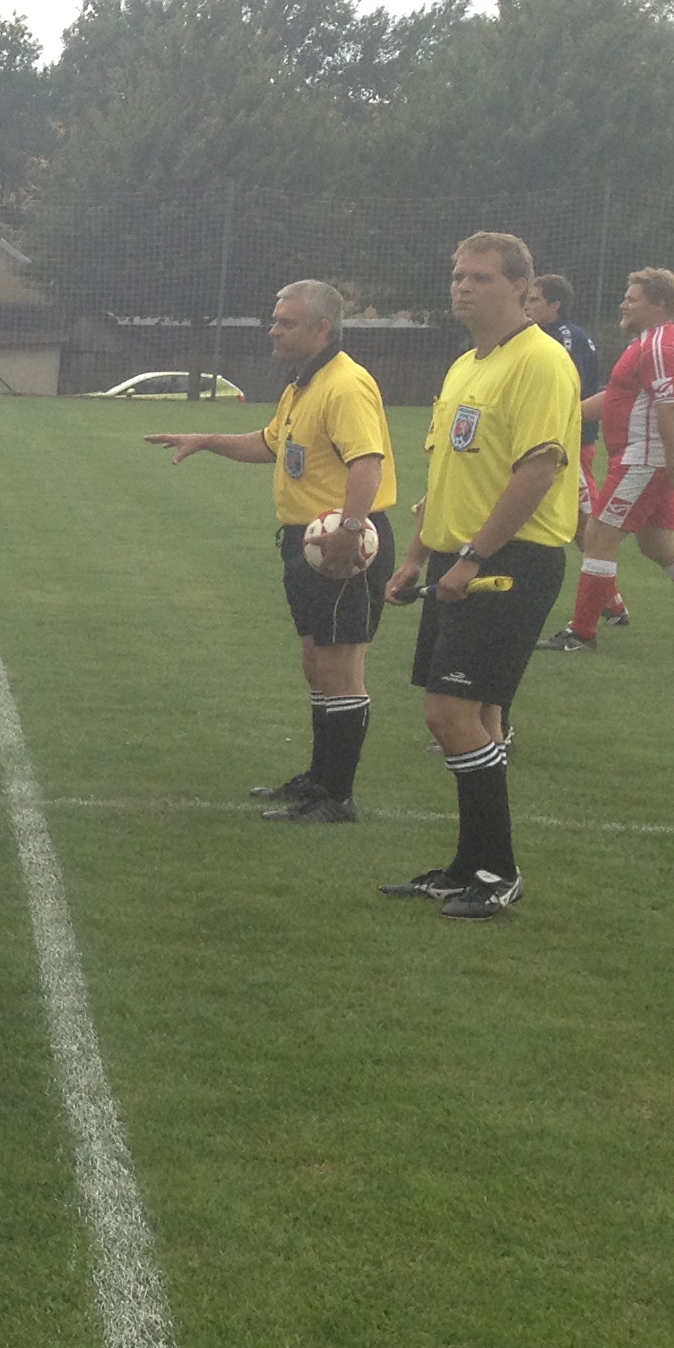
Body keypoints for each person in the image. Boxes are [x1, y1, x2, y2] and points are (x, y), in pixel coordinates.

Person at [377, 231, 580, 918]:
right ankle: (470, 866)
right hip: (457, 558)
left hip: (508, 563)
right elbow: (447, 474)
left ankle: (499, 871)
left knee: (451, 712)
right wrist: (417, 555)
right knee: (473, 716)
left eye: (481, 277)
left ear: (522, 288)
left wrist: (471, 558)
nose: (463, 287)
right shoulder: (466, 364)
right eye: (458, 275)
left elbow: (538, 471)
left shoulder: (541, 362)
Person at [144, 278, 399, 822]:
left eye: (286, 322)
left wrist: (350, 530)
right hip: (306, 542)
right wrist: (206, 440)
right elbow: (270, 444)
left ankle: (337, 798)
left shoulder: (345, 384)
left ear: (322, 329)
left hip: (341, 544)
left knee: (341, 669)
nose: (273, 330)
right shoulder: (303, 385)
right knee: (316, 662)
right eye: (275, 319)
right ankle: (318, 779)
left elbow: (367, 463)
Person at [550, 267, 674, 649]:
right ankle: (585, 629)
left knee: (598, 535)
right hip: (648, 460)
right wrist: (564, 416)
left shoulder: (658, 347)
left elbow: (670, 409)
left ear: (658, 303)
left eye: (632, 299)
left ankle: (581, 633)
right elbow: (617, 396)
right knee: (660, 545)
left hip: (643, 461)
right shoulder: (649, 342)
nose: (623, 304)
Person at [527, 271, 616, 619]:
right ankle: (610, 600)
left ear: (555, 304)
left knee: (585, 523)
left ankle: (609, 601)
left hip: (571, 442)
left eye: (534, 300)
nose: (528, 306)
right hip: (564, 440)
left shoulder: (562, 339)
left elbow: (565, 389)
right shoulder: (555, 335)